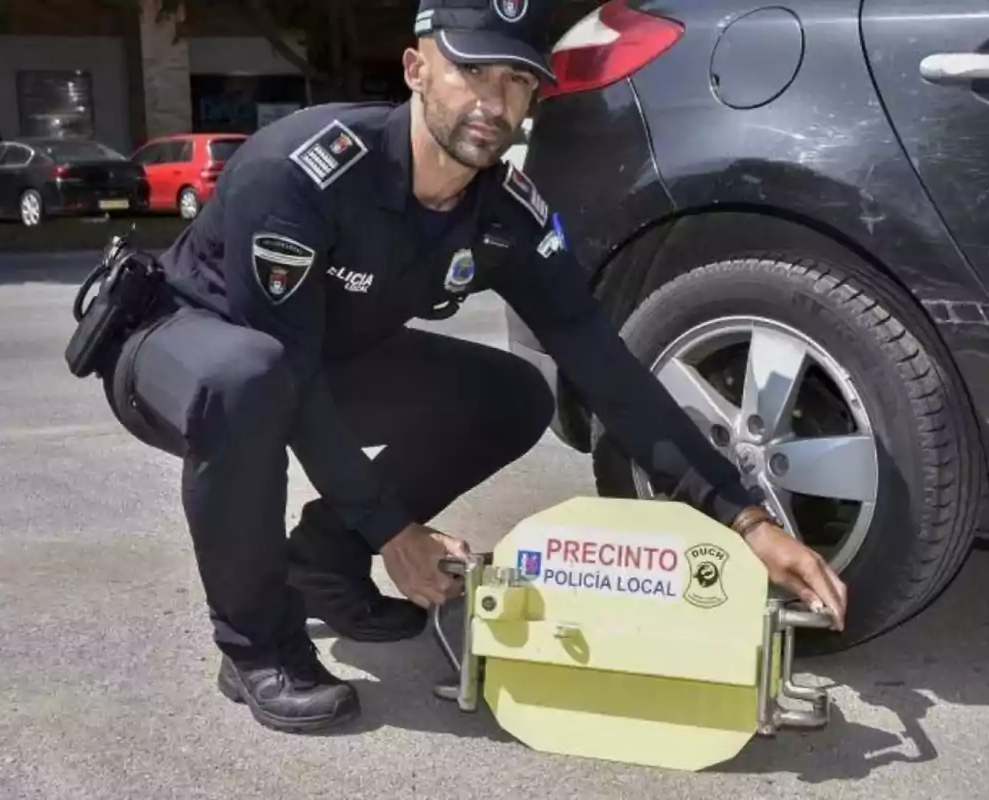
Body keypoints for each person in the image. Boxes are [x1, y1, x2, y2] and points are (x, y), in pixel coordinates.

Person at [98, 0, 847, 735]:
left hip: (314, 359)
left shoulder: (506, 216)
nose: (494, 100)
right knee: (250, 379)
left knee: (514, 394)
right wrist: (396, 529)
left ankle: (323, 562)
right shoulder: (301, 172)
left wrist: (742, 516)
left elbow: (604, 365)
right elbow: (285, 374)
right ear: (416, 68)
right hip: (184, 348)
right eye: (472, 70)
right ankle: (255, 642)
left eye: (518, 80)